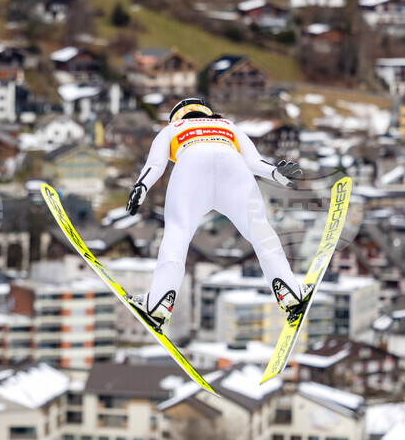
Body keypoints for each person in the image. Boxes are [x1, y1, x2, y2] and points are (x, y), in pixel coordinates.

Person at [125, 98, 304, 329]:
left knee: (177, 233)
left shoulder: (172, 129)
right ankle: (290, 293)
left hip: (190, 166)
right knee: (259, 229)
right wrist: (275, 173)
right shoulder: (227, 125)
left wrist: (141, 187)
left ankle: (159, 304)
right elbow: (254, 161)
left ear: (176, 116)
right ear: (208, 113)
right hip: (232, 166)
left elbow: (155, 165)